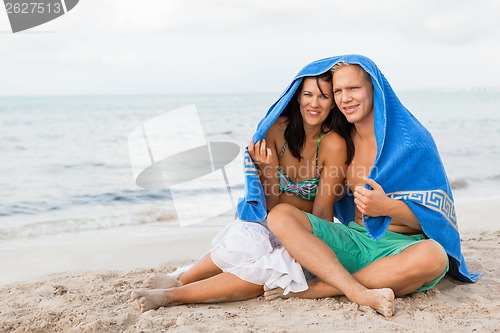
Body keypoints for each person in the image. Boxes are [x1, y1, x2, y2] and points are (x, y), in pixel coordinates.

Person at [265, 55, 479, 318]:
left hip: (399, 248)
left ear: (374, 88)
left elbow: (438, 219)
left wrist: (388, 207)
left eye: (353, 88)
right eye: (338, 91)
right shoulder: (342, 139)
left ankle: (323, 288)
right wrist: (266, 165)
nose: (345, 98)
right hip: (354, 240)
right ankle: (356, 288)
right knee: (280, 216)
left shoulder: (413, 142)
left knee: (435, 258)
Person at [130, 70, 356, 312]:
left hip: (304, 229)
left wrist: (302, 248)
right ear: (297, 97)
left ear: (332, 102)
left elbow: (322, 213)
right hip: (267, 220)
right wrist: (268, 168)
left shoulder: (334, 145)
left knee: (274, 268)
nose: (314, 103)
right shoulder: (275, 132)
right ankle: (184, 277)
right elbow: (267, 205)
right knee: (247, 244)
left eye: (323, 97)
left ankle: (173, 295)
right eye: (308, 95)